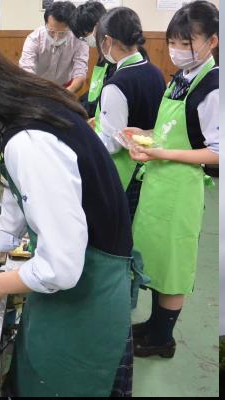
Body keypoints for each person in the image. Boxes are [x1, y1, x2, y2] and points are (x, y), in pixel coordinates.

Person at [0, 23, 141, 397]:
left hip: (89, 296)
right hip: (71, 289)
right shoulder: (21, 108)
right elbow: (14, 206)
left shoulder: (30, 140)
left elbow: (61, 267)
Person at [126, 1, 219, 358]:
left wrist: (161, 153)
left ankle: (163, 339)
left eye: (187, 42)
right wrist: (144, 133)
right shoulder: (183, 77)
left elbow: (216, 153)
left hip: (180, 188)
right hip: (159, 184)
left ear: (212, 41)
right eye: (174, 42)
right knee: (157, 260)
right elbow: (173, 129)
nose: (178, 50)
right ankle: (152, 326)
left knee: (175, 265)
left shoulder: (212, 87)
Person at [94, 7, 166, 219]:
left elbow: (113, 143)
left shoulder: (117, 84)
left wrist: (84, 138)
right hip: (152, 166)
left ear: (107, 40)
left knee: (121, 232)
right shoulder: (154, 71)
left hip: (124, 173)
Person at [19, 1, 89, 93]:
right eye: (51, 31)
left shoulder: (79, 41)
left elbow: (80, 74)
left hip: (66, 88)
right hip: (36, 85)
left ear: (71, 27)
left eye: (62, 33)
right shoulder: (35, 38)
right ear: (46, 23)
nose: (56, 37)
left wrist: (67, 93)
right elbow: (26, 69)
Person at [69, 1, 115, 116]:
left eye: (85, 34)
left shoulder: (115, 58)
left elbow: (104, 100)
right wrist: (76, 102)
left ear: (98, 26)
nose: (85, 39)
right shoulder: (103, 55)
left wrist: (76, 108)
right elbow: (95, 92)